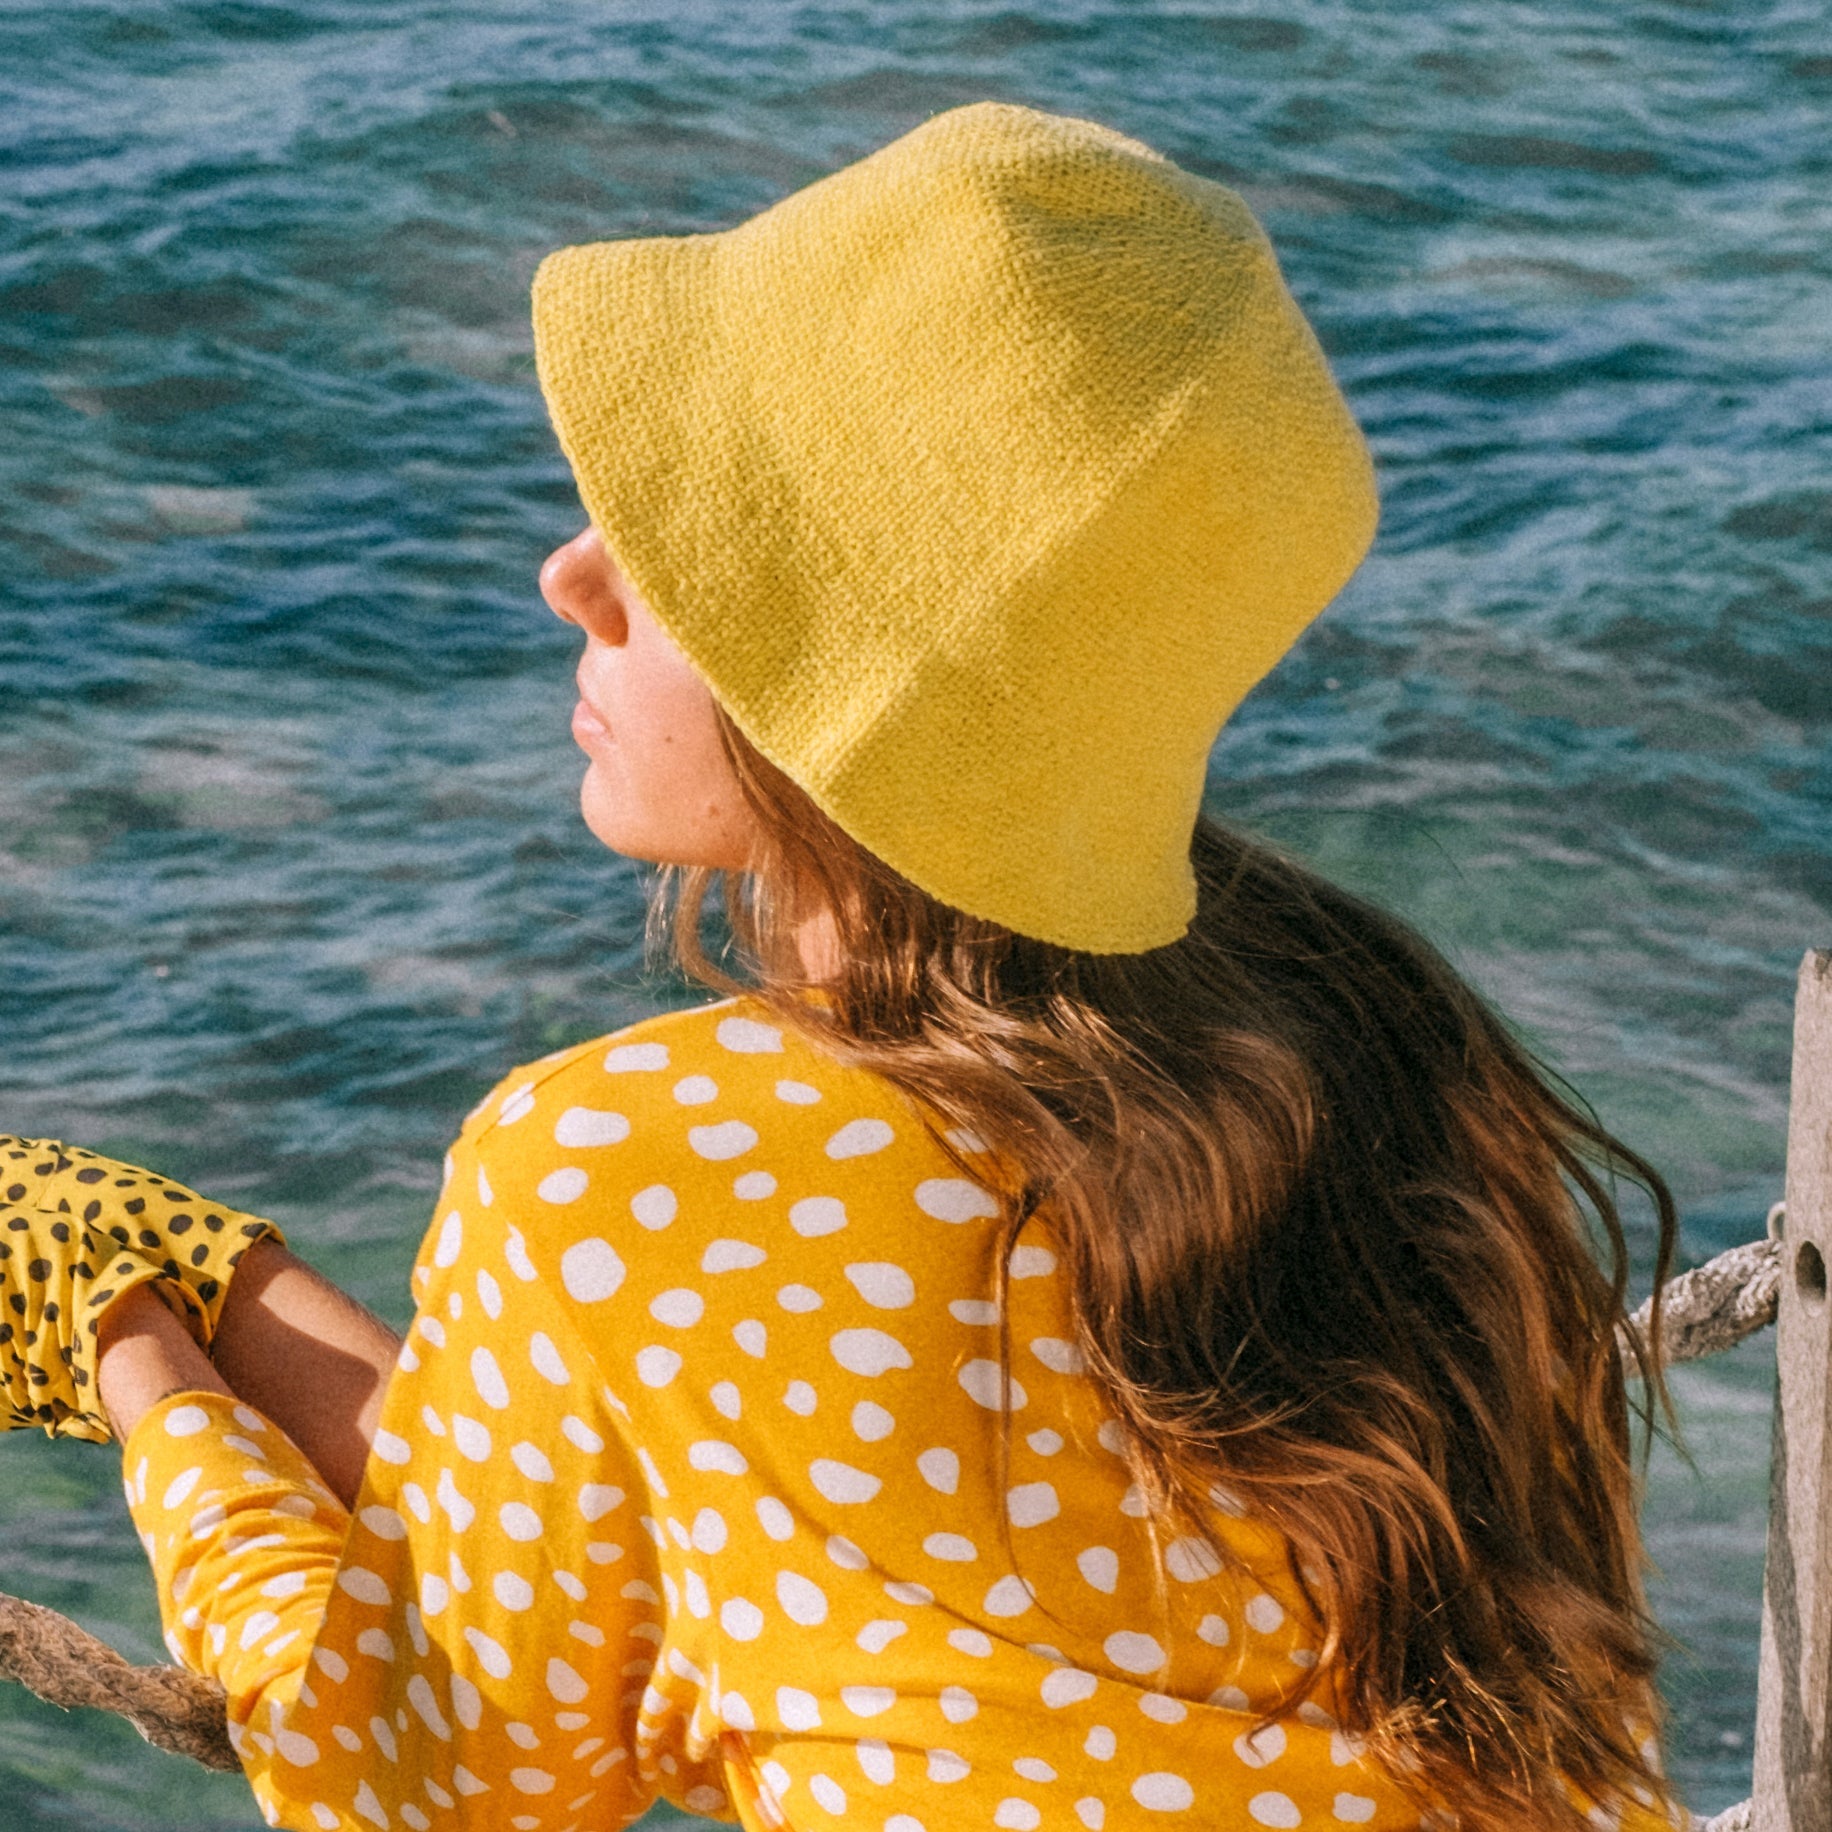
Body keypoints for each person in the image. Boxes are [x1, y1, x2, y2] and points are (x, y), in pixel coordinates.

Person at [0, 102, 1684, 1832]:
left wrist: (133, 1341)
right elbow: (762, 1519)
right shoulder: (1378, 1047)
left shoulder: (611, 1183)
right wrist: (223, 1299)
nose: (570, 573)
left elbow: (404, 1778)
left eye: (685, 547)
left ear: (847, 681)